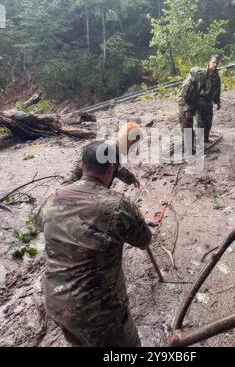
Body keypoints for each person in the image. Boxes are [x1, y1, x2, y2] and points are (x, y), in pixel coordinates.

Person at [35, 140, 152, 347]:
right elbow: (144, 241)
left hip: (57, 304)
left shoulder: (53, 198)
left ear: (82, 166)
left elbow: (38, 224)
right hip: (100, 315)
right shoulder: (119, 205)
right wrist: (137, 217)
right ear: (110, 169)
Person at [64, 122, 143, 188]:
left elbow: (117, 169)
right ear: (131, 141)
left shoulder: (113, 148)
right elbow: (78, 166)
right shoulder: (108, 149)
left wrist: (131, 178)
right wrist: (67, 187)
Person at [195, 55, 221, 144]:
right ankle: (198, 142)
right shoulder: (203, 74)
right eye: (213, 62)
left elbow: (218, 89)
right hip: (200, 101)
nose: (215, 65)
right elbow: (195, 88)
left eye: (217, 63)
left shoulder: (216, 75)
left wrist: (218, 102)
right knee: (200, 123)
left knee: (208, 122)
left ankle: (205, 139)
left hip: (209, 102)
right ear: (209, 62)